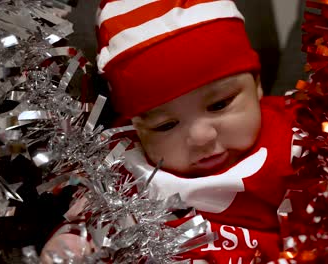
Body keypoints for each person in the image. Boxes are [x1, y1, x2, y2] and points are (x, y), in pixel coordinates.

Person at [43, 0, 300, 263]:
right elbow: (92, 220)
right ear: (137, 128)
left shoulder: (295, 137)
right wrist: (70, 242)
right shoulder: (125, 159)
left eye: (219, 105)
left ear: (257, 84)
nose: (202, 137)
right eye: (166, 125)